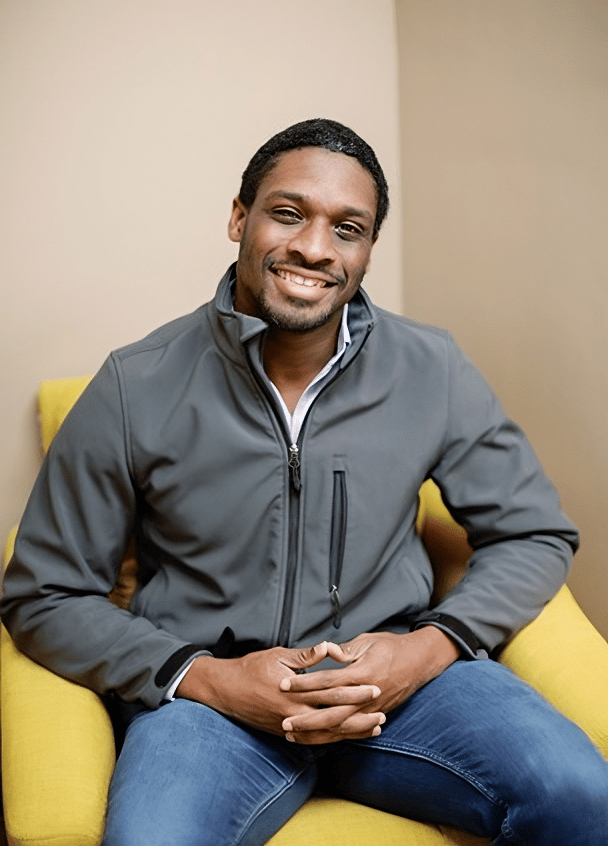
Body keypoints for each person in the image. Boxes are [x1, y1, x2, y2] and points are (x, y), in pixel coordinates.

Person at [2, 118, 607, 845]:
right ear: (239, 218)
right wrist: (210, 678)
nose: (315, 248)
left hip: (403, 691)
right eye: (288, 214)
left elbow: (533, 532)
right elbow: (43, 593)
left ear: (368, 249)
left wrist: (423, 652)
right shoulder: (135, 384)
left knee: (582, 794)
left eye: (347, 229)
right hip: (211, 706)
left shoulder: (432, 368)